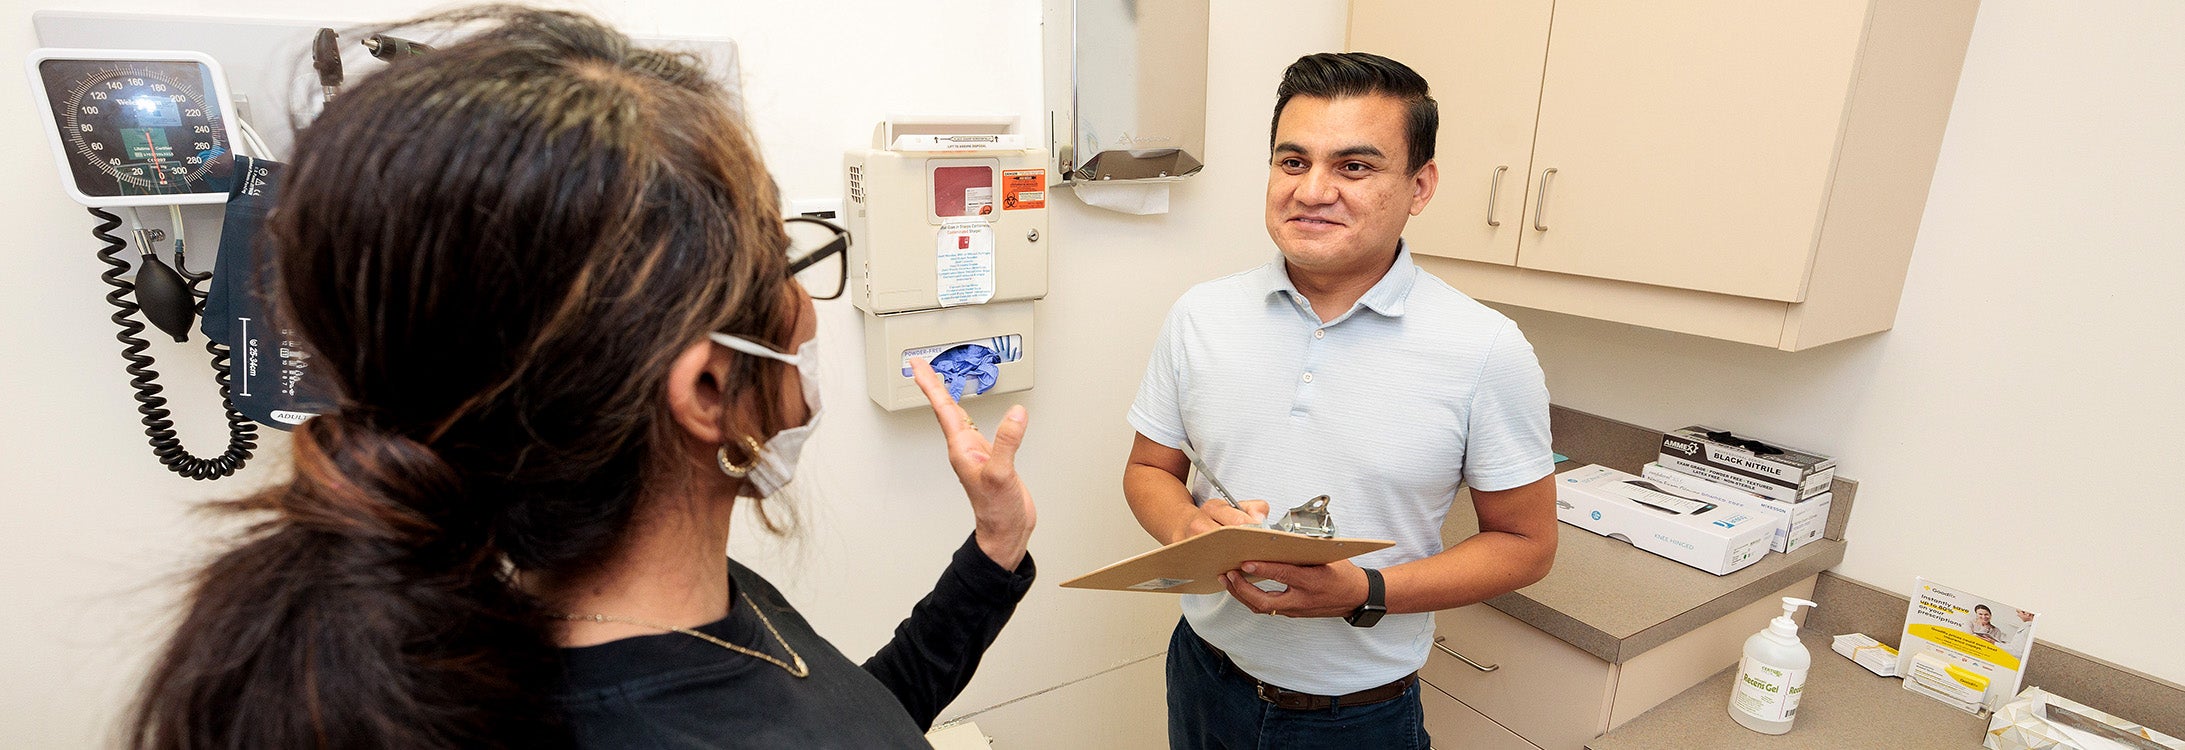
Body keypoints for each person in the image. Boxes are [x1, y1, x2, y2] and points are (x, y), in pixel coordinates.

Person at [126, 9, 1036, 749]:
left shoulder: (558, 630)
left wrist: (991, 555)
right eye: (782, 255)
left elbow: (850, 719)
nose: (804, 302)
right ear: (710, 389)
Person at [1122, 52, 1558, 748]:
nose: (1311, 190)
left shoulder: (1485, 349)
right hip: (1205, 673)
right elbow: (1148, 471)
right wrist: (1186, 530)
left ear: (1419, 187)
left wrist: (1365, 592)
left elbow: (1525, 544)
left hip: (1356, 715)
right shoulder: (1200, 315)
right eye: (1292, 162)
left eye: (1353, 167)